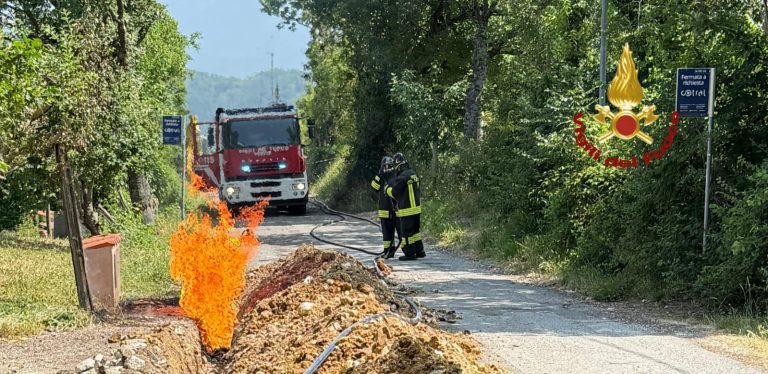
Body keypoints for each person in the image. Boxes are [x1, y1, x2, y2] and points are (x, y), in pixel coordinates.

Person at [385, 153, 425, 261]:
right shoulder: (413, 174)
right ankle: (420, 251)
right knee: (415, 232)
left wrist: (387, 189)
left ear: (398, 165)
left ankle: (409, 253)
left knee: (406, 233)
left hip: (407, 210)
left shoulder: (402, 177)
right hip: (417, 209)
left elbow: (394, 192)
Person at [371, 156, 399, 258]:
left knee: (400, 231)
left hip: (396, 209)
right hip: (384, 209)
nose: (388, 168)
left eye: (390, 166)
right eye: (386, 166)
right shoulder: (381, 176)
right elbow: (374, 188)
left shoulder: (396, 175)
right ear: (382, 166)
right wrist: (379, 175)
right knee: (387, 233)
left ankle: (408, 251)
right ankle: (388, 251)